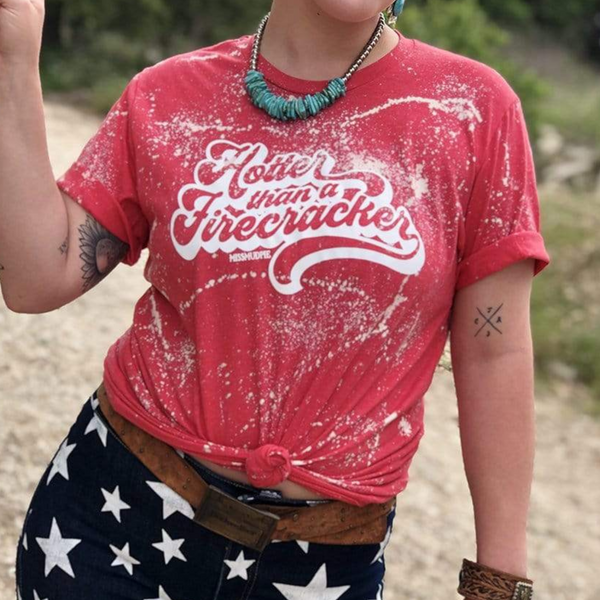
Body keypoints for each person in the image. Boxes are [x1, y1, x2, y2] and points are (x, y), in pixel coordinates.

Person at [0, 0, 549, 598]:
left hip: (321, 565)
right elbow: (36, 277)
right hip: (111, 527)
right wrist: (12, 60)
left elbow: (493, 353)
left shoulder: (473, 111)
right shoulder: (166, 94)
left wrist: (498, 583)